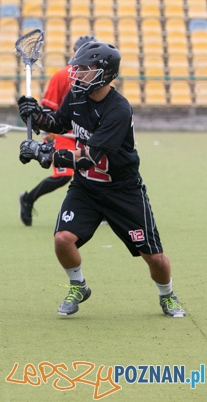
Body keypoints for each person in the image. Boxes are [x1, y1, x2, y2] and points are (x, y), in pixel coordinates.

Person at [17, 41, 186, 318]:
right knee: (62, 239)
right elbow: (59, 124)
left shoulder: (118, 110)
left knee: (153, 256)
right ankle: (78, 285)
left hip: (123, 190)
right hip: (86, 188)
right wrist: (35, 116)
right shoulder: (77, 96)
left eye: (84, 69)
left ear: (104, 73)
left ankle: (167, 294)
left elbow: (88, 158)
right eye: (77, 68)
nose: (77, 74)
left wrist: (45, 155)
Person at [18, 35, 96, 226]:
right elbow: (47, 109)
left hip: (84, 135)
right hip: (62, 135)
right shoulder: (62, 76)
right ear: (74, 53)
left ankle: (98, 211)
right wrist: (48, 130)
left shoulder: (97, 79)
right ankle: (28, 199)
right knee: (63, 176)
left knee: (96, 170)